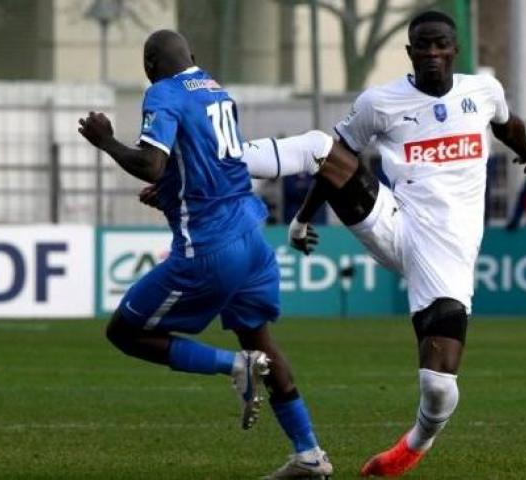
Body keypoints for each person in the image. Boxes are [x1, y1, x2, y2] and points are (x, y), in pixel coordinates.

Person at [242, 11, 526, 477]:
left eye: (441, 44)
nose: (433, 54)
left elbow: (508, 125)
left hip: (448, 250)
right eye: (423, 46)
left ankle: (413, 446)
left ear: (454, 49)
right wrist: (301, 218)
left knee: (438, 386)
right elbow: (338, 157)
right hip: (396, 221)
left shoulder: (483, 91)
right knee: (322, 145)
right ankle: (223, 161)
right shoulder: (379, 102)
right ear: (410, 52)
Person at [78, 30, 332, 479]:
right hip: (252, 241)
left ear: (150, 66)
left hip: (210, 249)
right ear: (192, 57)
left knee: (124, 332)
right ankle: (309, 452)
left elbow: (149, 162)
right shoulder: (217, 89)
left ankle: (235, 368)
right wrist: (171, 192)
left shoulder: (163, 92)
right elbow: (214, 165)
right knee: (261, 341)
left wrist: (106, 141)